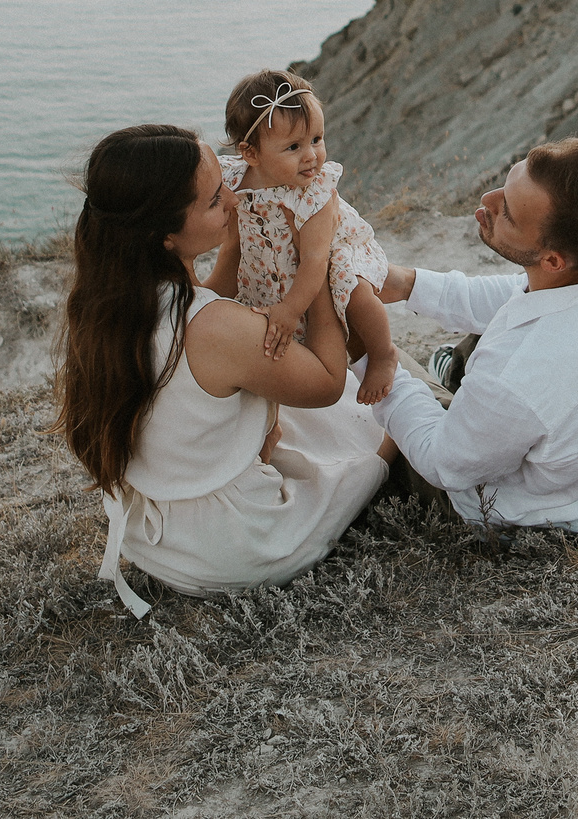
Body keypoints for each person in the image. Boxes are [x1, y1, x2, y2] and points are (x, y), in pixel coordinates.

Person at [57, 123, 391, 617]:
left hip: (160, 542)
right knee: (387, 422)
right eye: (216, 200)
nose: (235, 201)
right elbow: (325, 381)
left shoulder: (111, 303)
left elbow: (210, 308)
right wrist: (311, 266)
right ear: (166, 236)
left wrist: (233, 246)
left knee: (303, 412)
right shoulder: (214, 328)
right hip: (237, 547)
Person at [370, 138, 578, 531]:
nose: (488, 199)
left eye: (508, 213)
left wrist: (365, 346)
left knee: (373, 370)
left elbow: (440, 463)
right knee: (495, 362)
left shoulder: (523, 372)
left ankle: (451, 398)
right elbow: (522, 294)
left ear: (553, 259)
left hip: (521, 512)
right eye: (506, 183)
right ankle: (465, 398)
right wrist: (408, 284)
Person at [203, 68, 401, 404]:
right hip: (269, 263)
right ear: (250, 154)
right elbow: (234, 245)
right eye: (294, 146)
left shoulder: (314, 194)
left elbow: (314, 260)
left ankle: (383, 354)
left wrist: (291, 308)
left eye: (317, 139)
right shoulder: (236, 179)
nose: (311, 155)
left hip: (330, 253)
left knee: (357, 296)